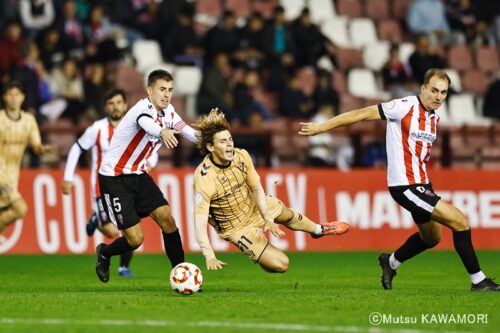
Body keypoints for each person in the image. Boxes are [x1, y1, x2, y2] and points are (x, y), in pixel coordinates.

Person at [299, 68, 500, 292]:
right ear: (423, 88)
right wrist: (321, 127)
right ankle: (478, 281)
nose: (438, 96)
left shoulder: (434, 117)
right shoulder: (403, 106)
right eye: (434, 90)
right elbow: (361, 114)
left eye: (443, 92)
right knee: (460, 221)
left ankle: (390, 262)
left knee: (431, 238)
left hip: (422, 185)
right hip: (406, 186)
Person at [192, 110, 349, 272]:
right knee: (281, 265)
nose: (230, 144)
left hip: (252, 204)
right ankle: (262, 254)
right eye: (223, 142)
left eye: (230, 139)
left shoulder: (242, 156)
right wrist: (209, 254)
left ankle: (318, 229)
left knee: (286, 214)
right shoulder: (204, 178)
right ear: (210, 147)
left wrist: (267, 218)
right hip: (236, 227)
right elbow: (200, 222)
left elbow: (255, 188)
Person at [94, 69, 198, 283]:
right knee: (135, 240)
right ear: (150, 90)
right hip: (114, 178)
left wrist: (214, 140)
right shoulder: (142, 108)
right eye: (162, 89)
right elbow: (145, 122)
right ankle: (105, 252)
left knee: (167, 219)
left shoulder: (169, 112)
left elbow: (187, 131)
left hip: (138, 175)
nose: (166, 94)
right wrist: (162, 132)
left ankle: (181, 274)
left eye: (170, 90)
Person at [62, 88, 152, 277]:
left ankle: (123, 267)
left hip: (130, 184)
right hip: (103, 188)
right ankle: (97, 219)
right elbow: (77, 149)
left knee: (131, 228)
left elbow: (154, 149)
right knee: (112, 232)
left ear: (125, 105)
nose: (115, 107)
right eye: (111, 103)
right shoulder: (97, 129)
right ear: (105, 107)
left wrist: (151, 162)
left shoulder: (136, 126)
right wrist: (68, 177)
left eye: (119, 102)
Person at [0, 82, 55, 240]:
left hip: (12, 175)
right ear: (4, 97)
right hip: (1, 175)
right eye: (10, 94)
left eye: (17, 94)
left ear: (23, 97)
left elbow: (36, 147)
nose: (13, 98)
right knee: (20, 209)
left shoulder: (29, 120)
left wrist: (44, 149)